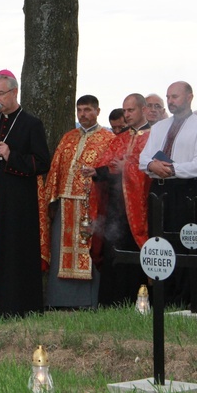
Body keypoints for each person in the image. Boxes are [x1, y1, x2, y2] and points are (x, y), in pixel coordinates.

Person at [0, 70, 51, 317]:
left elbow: (42, 163)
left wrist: (10, 156)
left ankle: (16, 309)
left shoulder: (30, 123)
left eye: (0, 93)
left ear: (14, 92)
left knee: (15, 254)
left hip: (18, 205)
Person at [139, 81, 197, 307]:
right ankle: (161, 296)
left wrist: (172, 169)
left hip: (184, 190)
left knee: (182, 243)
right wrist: (152, 165)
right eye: (168, 97)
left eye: (175, 97)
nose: (171, 101)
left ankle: (182, 299)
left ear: (189, 97)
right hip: (159, 190)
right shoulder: (159, 127)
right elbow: (143, 158)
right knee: (158, 241)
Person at [41, 95, 115, 310]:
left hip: (91, 204)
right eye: (80, 110)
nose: (83, 114)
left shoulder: (108, 139)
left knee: (90, 250)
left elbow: (110, 171)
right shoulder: (68, 138)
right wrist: (51, 199)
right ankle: (59, 301)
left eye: (88, 110)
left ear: (98, 111)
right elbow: (55, 169)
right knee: (60, 250)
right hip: (65, 205)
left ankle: (88, 302)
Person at [83, 94, 151, 307]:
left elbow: (152, 171)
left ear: (143, 110)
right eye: (125, 110)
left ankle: (137, 303)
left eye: (131, 110)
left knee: (133, 258)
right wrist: (96, 171)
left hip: (138, 210)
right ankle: (110, 304)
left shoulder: (152, 137)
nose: (127, 114)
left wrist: (127, 169)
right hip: (115, 209)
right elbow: (108, 166)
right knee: (113, 254)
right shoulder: (120, 139)